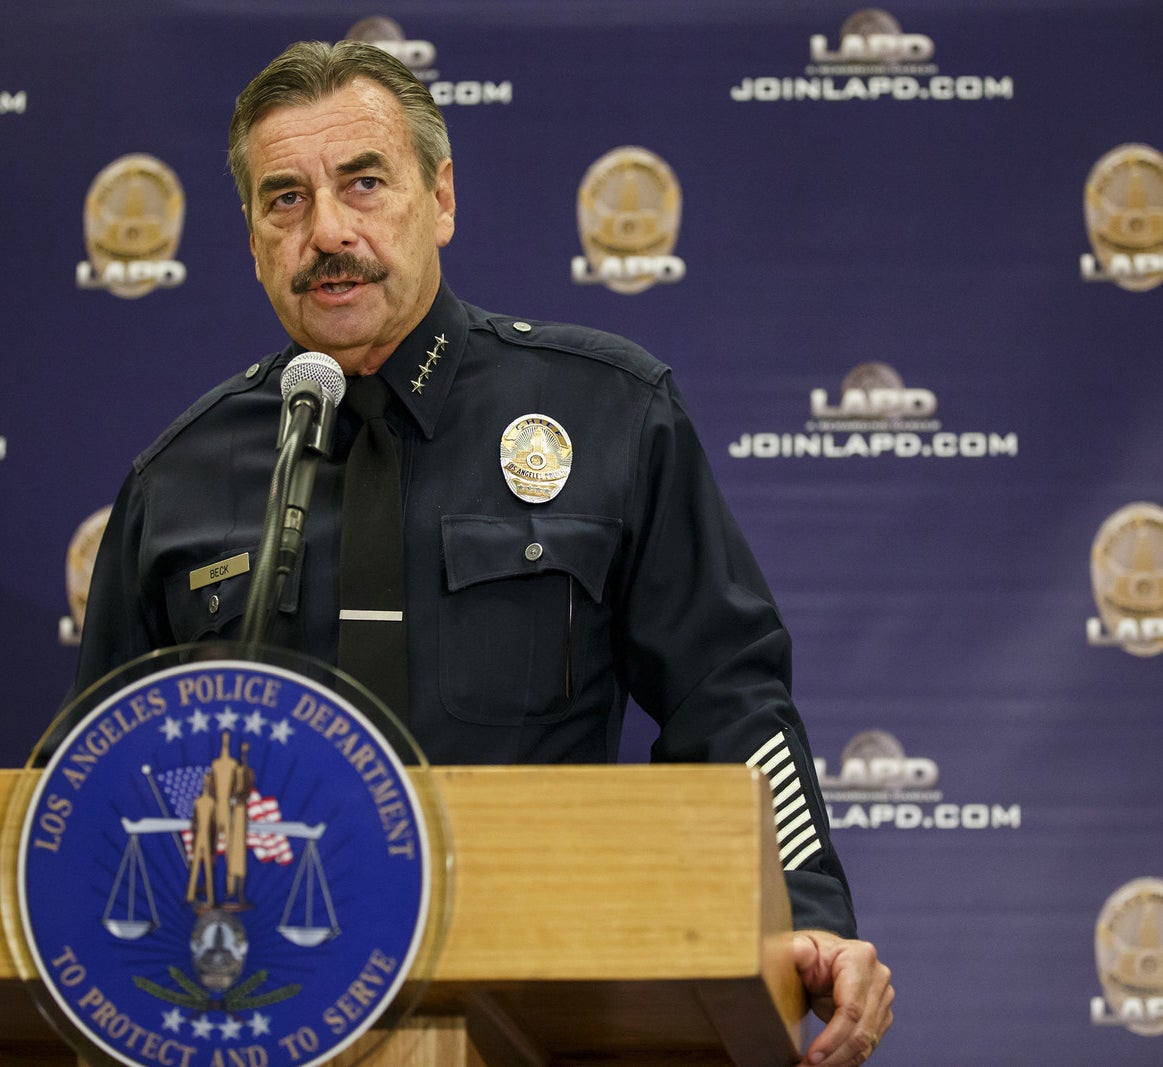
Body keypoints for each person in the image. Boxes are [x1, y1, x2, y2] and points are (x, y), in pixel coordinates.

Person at [71, 39, 893, 1065]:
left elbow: (729, 694)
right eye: (284, 200)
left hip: (546, 1005)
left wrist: (802, 909)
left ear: (441, 198)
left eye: (364, 183)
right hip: (254, 1010)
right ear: (249, 237)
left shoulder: (606, 412)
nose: (327, 230)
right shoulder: (178, 480)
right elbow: (99, 782)